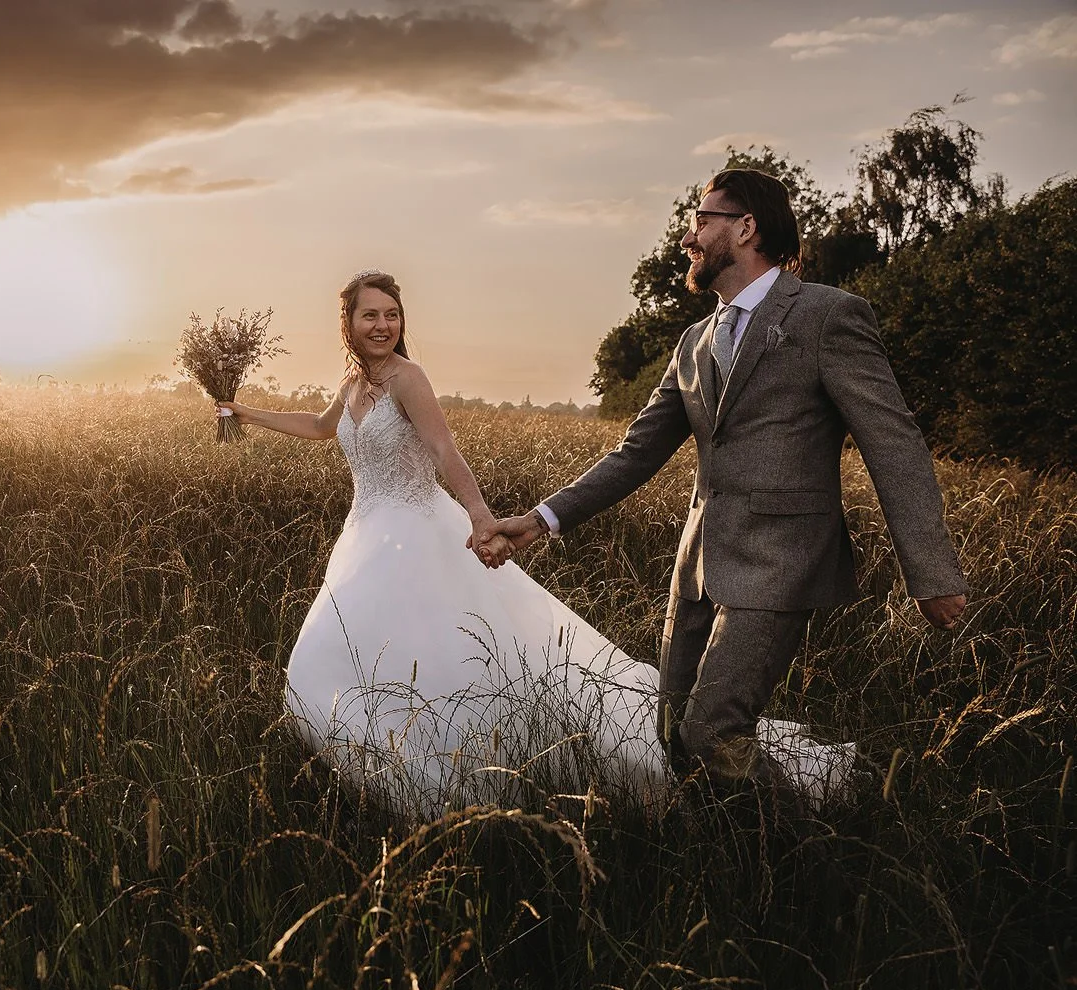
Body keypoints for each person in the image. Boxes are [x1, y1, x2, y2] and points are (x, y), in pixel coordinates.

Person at [219, 268, 856, 819]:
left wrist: (479, 516)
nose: (382, 326)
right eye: (370, 316)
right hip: (366, 537)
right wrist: (243, 410)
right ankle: (394, 775)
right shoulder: (356, 384)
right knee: (356, 658)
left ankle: (462, 772)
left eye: (391, 315)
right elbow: (319, 427)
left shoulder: (409, 378)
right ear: (349, 324)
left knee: (436, 660)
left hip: (420, 533)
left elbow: (444, 451)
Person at [475, 168, 966, 810]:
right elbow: (636, 452)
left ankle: (808, 858)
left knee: (713, 732)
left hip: (784, 562)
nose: (690, 236)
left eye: (702, 220)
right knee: (676, 740)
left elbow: (893, 444)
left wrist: (930, 571)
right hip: (698, 564)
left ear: (745, 227)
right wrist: (541, 520)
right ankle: (729, 866)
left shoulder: (827, 316)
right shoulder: (693, 342)